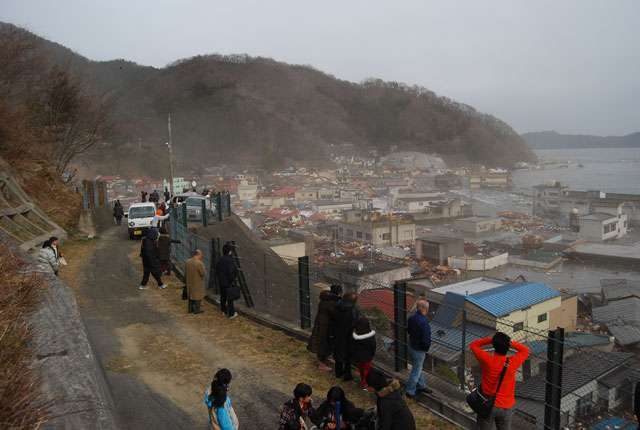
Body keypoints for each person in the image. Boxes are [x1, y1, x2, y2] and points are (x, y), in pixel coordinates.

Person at [470, 332, 530, 430]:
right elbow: (525, 350)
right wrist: (511, 343)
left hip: (487, 403)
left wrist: (491, 340)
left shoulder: (487, 360)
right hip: (506, 405)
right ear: (507, 347)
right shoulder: (512, 363)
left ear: (494, 346)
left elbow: (474, 344)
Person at [307, 284, 342, 371]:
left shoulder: (326, 298)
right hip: (325, 325)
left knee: (323, 342)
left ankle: (326, 357)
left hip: (321, 323)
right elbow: (336, 315)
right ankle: (321, 364)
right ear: (338, 293)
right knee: (323, 343)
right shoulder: (332, 303)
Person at [329, 292, 359, 381]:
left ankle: (338, 373)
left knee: (338, 352)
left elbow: (332, 321)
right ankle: (347, 375)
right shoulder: (353, 311)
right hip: (348, 336)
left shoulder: (337, 307)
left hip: (337, 333)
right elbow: (353, 324)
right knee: (348, 356)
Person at [406, 299, 432, 398]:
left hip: (412, 346)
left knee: (418, 368)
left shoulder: (412, 317)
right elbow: (426, 338)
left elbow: (409, 330)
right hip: (419, 350)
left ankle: (421, 385)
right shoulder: (424, 323)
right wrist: (426, 348)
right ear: (426, 309)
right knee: (416, 371)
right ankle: (410, 391)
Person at [351, 316, 376, 389]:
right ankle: (365, 384)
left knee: (361, 370)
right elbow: (373, 347)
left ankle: (363, 381)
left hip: (358, 357)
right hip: (367, 357)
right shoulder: (370, 337)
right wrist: (371, 354)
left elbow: (353, 346)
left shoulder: (355, 336)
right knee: (366, 371)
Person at [215, 243, 238, 318]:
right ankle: (231, 314)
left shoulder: (220, 260)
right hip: (228, 282)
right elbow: (231, 272)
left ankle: (223, 310)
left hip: (221, 281)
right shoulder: (230, 261)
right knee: (230, 299)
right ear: (230, 251)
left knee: (223, 297)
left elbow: (217, 270)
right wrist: (233, 281)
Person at [186, 249, 206, 314]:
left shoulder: (188, 261)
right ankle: (197, 309)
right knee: (197, 295)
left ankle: (190, 308)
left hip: (189, 281)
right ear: (199, 255)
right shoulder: (199, 263)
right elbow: (203, 273)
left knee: (191, 294)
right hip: (197, 281)